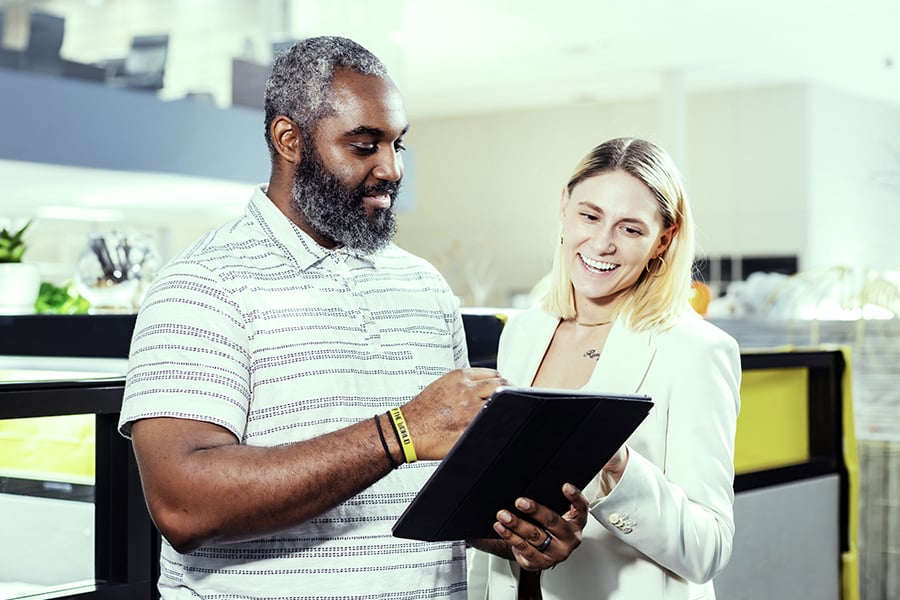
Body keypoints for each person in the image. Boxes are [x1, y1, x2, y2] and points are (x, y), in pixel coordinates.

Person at [118, 36, 587, 599]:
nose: (391, 168)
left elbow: (433, 493)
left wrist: (519, 535)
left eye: (397, 143)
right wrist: (401, 432)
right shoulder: (201, 284)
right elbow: (182, 505)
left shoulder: (423, 285)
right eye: (364, 146)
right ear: (289, 140)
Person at [468, 137, 742, 599]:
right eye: (590, 216)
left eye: (630, 229)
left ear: (663, 239)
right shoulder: (523, 332)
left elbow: (709, 549)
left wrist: (618, 467)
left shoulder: (696, 351)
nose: (602, 243)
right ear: (564, 207)